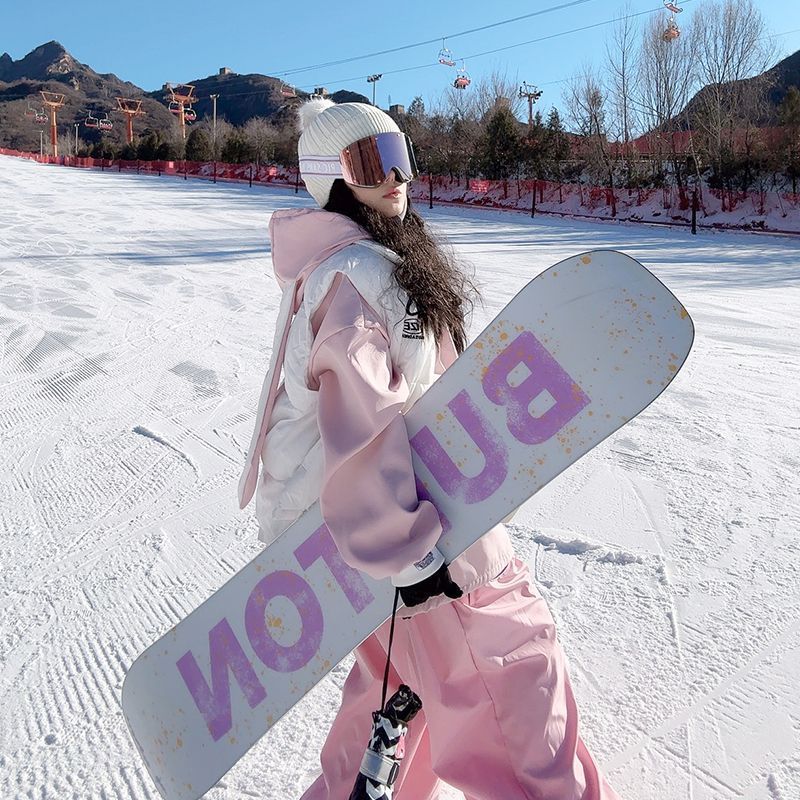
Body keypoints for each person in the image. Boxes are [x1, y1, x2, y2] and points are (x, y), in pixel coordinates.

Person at [238, 98, 620, 800]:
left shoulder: (363, 263)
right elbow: (362, 421)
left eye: (400, 158)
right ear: (330, 178)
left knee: (398, 692)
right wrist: (408, 554)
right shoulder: (357, 275)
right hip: (400, 526)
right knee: (511, 669)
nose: (394, 179)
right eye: (370, 164)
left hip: (370, 527)